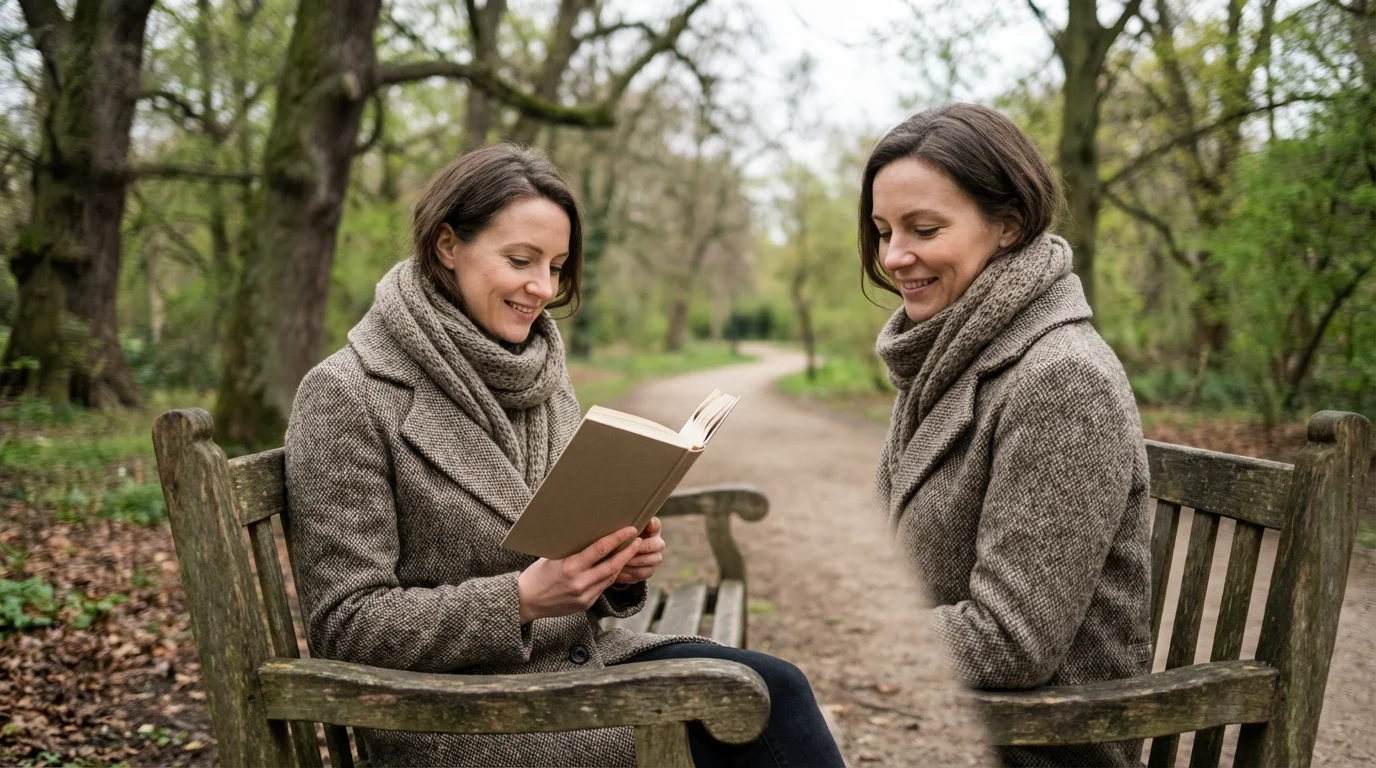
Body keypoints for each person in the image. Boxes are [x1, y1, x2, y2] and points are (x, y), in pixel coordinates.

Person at [284, 143, 843, 768]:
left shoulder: (539, 373)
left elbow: (560, 546)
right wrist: (521, 599)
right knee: (750, 714)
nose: (542, 288)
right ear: (448, 245)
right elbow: (347, 624)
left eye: (555, 266)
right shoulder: (347, 392)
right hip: (462, 713)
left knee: (774, 689)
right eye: (521, 260)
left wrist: (620, 571)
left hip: (576, 667)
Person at [861, 104, 1153, 767]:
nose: (894, 257)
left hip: (1045, 747)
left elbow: (1011, 639)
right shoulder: (944, 361)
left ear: (1008, 225)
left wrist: (860, 638)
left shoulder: (1062, 380)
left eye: (923, 228)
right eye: (883, 232)